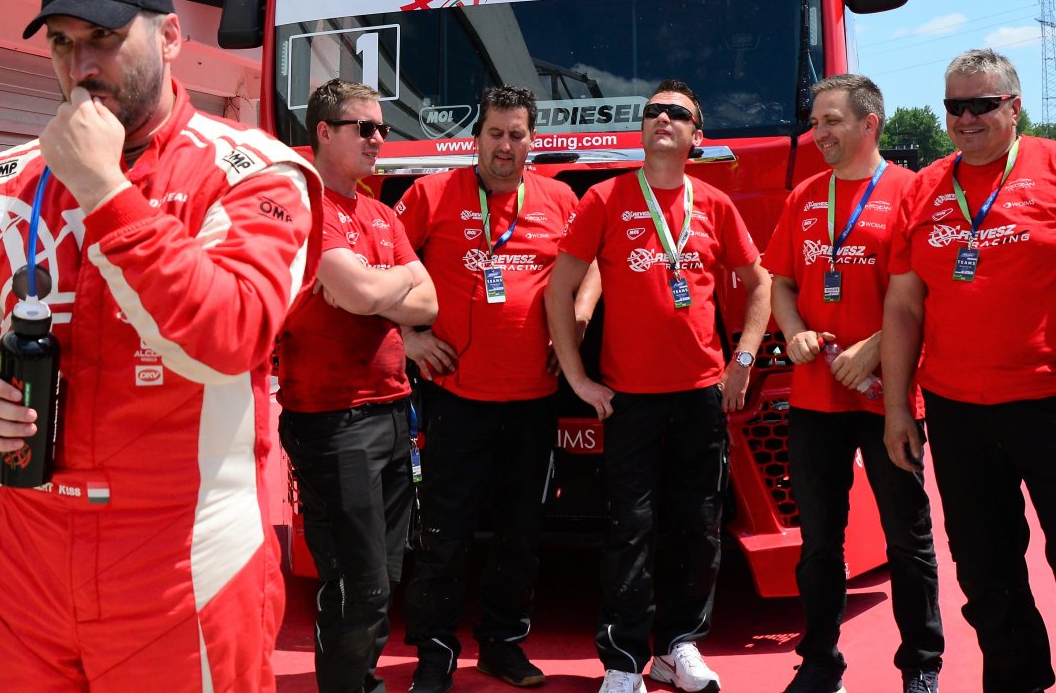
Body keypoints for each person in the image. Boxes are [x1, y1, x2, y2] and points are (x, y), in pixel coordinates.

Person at [0, 0, 321, 692]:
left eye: (105, 39)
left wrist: (105, 191)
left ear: (171, 37)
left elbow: (229, 337)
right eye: (62, 43)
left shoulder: (253, 171)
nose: (81, 65)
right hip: (22, 549)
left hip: (180, 559)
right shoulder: (13, 185)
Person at [880, 48, 1056, 693]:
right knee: (985, 574)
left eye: (982, 104)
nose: (966, 118)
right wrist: (895, 409)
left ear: (1014, 106)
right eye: (954, 106)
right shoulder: (925, 186)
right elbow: (904, 307)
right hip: (958, 411)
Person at [546, 80, 770, 693]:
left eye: (677, 114)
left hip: (701, 393)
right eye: (652, 112)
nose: (662, 119)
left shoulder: (717, 205)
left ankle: (679, 646)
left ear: (698, 137)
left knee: (696, 524)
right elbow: (559, 289)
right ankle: (622, 661)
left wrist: (743, 358)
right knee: (629, 527)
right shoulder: (604, 198)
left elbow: (760, 283)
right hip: (628, 398)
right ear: (640, 130)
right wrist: (577, 378)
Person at [394, 85, 584, 693]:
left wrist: (575, 319)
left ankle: (503, 643)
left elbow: (595, 263)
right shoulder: (430, 193)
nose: (506, 146)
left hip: (533, 399)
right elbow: (382, 263)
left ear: (534, 140)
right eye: (496, 134)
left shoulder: (558, 198)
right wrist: (407, 339)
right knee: (444, 532)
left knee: (520, 531)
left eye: (518, 135)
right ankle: (435, 651)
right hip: (455, 397)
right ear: (477, 138)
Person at [767, 75, 942, 693]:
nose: (819, 134)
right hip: (816, 397)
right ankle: (819, 663)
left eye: (831, 121)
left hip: (890, 398)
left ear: (871, 124)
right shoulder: (805, 196)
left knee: (908, 539)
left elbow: (926, 291)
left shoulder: (914, 191)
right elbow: (780, 283)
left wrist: (873, 349)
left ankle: (921, 667)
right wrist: (792, 333)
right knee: (819, 542)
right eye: (815, 122)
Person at [279, 79, 440, 693]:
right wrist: (387, 285)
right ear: (323, 132)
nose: (380, 137)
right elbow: (368, 292)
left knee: (387, 572)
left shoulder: (377, 212)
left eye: (382, 127)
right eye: (364, 127)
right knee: (358, 580)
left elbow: (425, 302)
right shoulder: (302, 206)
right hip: (331, 419)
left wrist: (378, 286)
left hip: (396, 411)